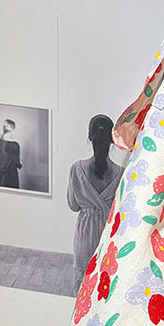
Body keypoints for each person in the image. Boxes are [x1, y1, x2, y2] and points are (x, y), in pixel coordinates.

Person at [68, 115, 121, 290]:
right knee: (105, 286)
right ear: (112, 140)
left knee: (83, 284)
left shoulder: (77, 168)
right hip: (109, 235)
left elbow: (73, 205)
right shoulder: (121, 173)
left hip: (85, 235)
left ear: (90, 137)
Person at [0, 119, 22, 188]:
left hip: (1, 173)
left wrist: (2, 163)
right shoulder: (15, 145)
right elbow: (17, 162)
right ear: (13, 131)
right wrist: (20, 164)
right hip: (12, 175)